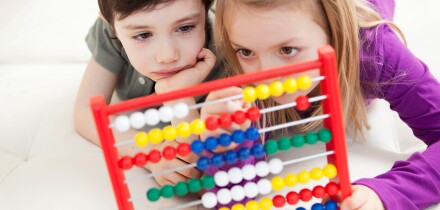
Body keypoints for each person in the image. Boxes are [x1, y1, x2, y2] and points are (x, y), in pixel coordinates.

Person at [201, 0, 440, 209]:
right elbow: (231, 199)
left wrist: (387, 193)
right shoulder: (242, 67)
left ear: (333, 30)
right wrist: (227, 149)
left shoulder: (376, 49)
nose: (266, 76)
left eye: (288, 50)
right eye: (246, 51)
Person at [74, 0, 226, 192]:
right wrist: (151, 153)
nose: (167, 55)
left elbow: (198, 168)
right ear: (110, 24)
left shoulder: (224, 48)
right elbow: (85, 112)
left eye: (185, 28)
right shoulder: (112, 30)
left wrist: (178, 95)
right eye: (143, 35)